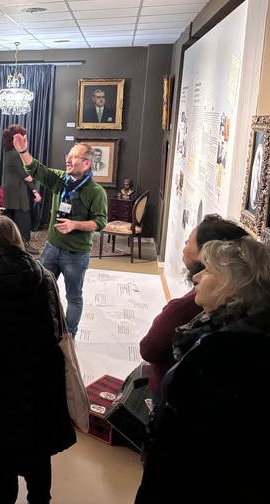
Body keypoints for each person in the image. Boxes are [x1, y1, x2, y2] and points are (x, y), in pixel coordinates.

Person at [135, 237, 270, 504]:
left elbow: (194, 449)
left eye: (208, 270)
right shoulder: (215, 326)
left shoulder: (225, 354)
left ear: (234, 284)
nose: (196, 276)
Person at [0, 215, 76, 504]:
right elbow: (55, 330)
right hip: (39, 385)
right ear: (16, 240)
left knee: (1, 474)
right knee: (39, 467)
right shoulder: (44, 279)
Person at [139, 214, 248, 401]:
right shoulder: (242, 301)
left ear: (205, 254)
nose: (185, 244)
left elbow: (149, 349)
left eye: (190, 240)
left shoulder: (190, 306)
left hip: (172, 395)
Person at [13, 133, 108, 337]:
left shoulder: (96, 191)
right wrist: (23, 151)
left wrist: (75, 224)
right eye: (68, 155)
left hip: (76, 254)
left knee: (73, 298)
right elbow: (36, 169)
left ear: (86, 164)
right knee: (39, 289)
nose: (68, 160)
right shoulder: (59, 180)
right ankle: (40, 329)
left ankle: (69, 337)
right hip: (52, 248)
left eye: (74, 157)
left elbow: (100, 222)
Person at [2, 124, 41, 255]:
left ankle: (13, 244)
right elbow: (25, 174)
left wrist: (29, 178)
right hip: (17, 189)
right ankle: (24, 244)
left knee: (14, 217)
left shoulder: (9, 152)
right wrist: (34, 190)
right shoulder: (16, 154)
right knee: (23, 218)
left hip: (12, 189)